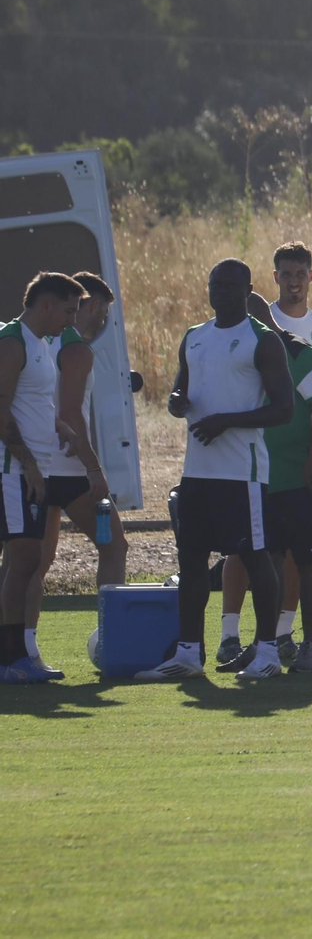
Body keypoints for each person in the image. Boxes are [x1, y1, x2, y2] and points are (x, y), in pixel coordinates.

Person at [134, 260, 294, 682]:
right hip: (197, 471)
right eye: (214, 284)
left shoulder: (262, 341)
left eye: (230, 285)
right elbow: (181, 387)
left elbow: (284, 409)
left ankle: (266, 651)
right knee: (190, 559)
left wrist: (228, 420)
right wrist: (176, 402)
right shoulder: (195, 337)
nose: (220, 291)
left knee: (255, 557)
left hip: (243, 470)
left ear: (248, 289)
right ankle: (188, 653)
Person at [211, 291, 312, 675]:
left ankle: (310, 646)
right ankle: (266, 645)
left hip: (301, 477)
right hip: (258, 479)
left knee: (311, 563)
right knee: (267, 566)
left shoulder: (298, 354)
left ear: (262, 318)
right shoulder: (237, 356)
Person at [20, 273, 130, 678]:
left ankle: (24, 649)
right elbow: (69, 416)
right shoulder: (75, 349)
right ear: (85, 305)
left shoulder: (35, 341)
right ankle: (113, 640)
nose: (100, 318)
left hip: (37, 468)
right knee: (114, 546)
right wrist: (94, 467)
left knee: (35, 562)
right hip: (68, 472)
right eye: (98, 309)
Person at [0, 273, 86, 684]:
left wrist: (58, 426)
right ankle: (10, 658)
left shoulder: (43, 345)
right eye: (68, 310)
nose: (71, 321)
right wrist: (28, 464)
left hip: (32, 468)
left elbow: (29, 400)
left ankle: (16, 656)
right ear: (46, 305)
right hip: (12, 470)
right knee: (24, 560)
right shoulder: (13, 341)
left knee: (26, 560)